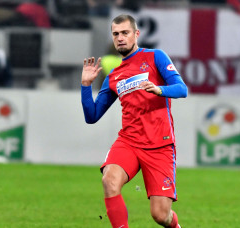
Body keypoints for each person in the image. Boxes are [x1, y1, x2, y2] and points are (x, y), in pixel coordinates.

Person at [81, 14, 187, 228]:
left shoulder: (155, 57)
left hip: (160, 144)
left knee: (160, 215)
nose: (120, 38)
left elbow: (182, 89)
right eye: (116, 34)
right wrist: (85, 85)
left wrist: (160, 89)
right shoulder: (114, 76)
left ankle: (175, 226)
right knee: (109, 180)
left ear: (136, 34)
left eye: (125, 33)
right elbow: (92, 116)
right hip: (129, 141)